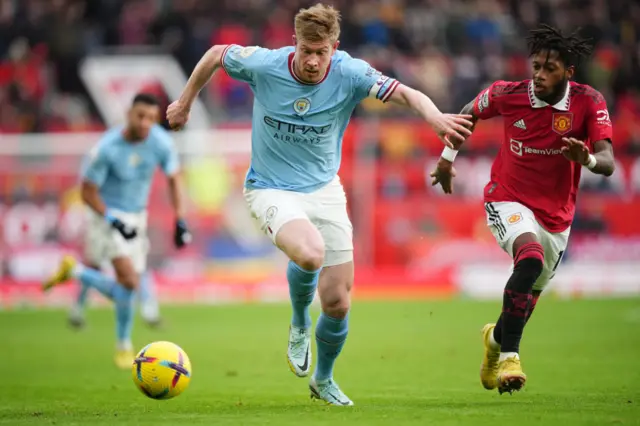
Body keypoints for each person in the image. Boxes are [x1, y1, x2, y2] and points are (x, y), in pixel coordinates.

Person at [167, 3, 472, 406]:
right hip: (270, 188)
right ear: (294, 42)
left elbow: (407, 93)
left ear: (335, 47)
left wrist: (435, 119)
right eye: (306, 50)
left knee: (338, 301)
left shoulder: (350, 72)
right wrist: (186, 101)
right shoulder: (265, 64)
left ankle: (323, 380)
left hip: (325, 191)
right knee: (310, 253)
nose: (312, 61)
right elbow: (214, 55)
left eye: (321, 52)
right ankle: (297, 323)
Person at [430, 24, 615, 394]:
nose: (540, 75)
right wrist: (447, 159)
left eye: (550, 69)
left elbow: (608, 160)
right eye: (536, 67)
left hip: (557, 216)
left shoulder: (589, 101)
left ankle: (495, 343)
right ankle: (511, 358)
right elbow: (469, 112)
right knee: (528, 259)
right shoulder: (507, 94)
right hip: (507, 196)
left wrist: (588, 160)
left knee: (527, 298)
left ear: (568, 72)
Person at [43, 93, 192, 369]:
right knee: (130, 281)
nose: (146, 123)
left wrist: (180, 219)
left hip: (138, 217)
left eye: (151, 118)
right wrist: (112, 218)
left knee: (127, 287)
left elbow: (174, 179)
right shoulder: (107, 148)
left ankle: (76, 273)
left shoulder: (161, 142)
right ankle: (121, 344)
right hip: (106, 216)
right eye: (141, 116)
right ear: (128, 114)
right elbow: (87, 192)